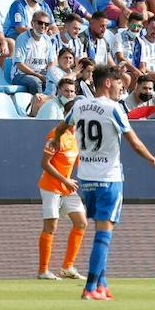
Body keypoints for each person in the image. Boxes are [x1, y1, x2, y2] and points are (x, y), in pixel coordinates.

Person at [52, 64, 155, 301]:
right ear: (108, 83)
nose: (122, 87)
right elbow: (134, 142)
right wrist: (152, 158)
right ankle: (91, 287)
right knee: (104, 234)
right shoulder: (113, 109)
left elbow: (62, 126)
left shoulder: (79, 104)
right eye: (120, 83)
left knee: (99, 231)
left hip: (86, 179)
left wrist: (55, 141)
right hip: (109, 179)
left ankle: (102, 284)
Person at [37, 110, 86, 282]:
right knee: (51, 227)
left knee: (81, 223)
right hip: (51, 187)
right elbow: (45, 163)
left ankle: (67, 267)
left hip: (67, 188)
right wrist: (65, 180)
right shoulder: (55, 134)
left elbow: (78, 161)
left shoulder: (77, 136)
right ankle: (43, 271)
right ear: (67, 115)